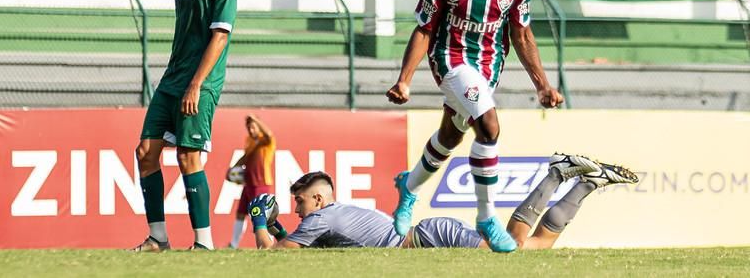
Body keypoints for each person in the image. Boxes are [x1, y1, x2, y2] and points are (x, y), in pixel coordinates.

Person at [385, 0, 564, 252]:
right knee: (490, 126)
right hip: (450, 60)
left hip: (489, 67)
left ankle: (410, 186)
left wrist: (542, 85)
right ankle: (486, 217)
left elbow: (522, 36)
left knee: (450, 137)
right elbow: (424, 29)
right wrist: (404, 79)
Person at [248, 153, 637, 250]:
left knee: (520, 247)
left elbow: (276, 254)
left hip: (429, 237)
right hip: (429, 233)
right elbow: (302, 248)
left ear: (317, 199)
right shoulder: (329, 215)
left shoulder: (320, 219)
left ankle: (558, 174)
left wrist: (260, 222)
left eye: (298, 202)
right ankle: (587, 182)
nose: (296, 208)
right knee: (533, 245)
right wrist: (280, 227)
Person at [131, 0, 237, 252]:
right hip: (171, 80)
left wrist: (195, 84)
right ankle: (158, 238)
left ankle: (203, 243)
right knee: (146, 152)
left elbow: (219, 37)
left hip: (199, 84)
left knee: (189, 158)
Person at [228, 114, 276, 248]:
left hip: (260, 184)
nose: (251, 130)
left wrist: (256, 120)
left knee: (260, 216)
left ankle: (267, 244)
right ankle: (233, 244)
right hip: (248, 184)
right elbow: (245, 157)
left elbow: (269, 134)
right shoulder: (250, 140)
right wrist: (232, 169)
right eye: (249, 128)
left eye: (253, 127)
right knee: (240, 213)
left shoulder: (266, 141)